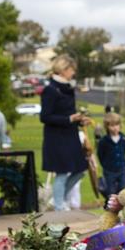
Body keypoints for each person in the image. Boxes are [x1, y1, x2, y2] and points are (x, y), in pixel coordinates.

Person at [40, 55, 88, 211]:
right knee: (61, 172)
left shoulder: (68, 89)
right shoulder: (50, 90)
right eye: (72, 69)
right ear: (64, 69)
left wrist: (79, 120)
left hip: (70, 136)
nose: (73, 73)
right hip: (56, 138)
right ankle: (59, 207)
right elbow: (45, 117)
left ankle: (57, 199)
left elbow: (69, 113)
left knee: (80, 170)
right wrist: (69, 118)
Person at [96, 111, 125, 197]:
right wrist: (106, 165)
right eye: (112, 125)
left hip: (122, 169)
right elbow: (100, 154)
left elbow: (124, 151)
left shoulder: (124, 138)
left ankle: (121, 208)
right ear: (107, 127)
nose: (115, 128)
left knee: (123, 188)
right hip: (109, 171)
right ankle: (110, 206)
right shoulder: (104, 141)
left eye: (117, 125)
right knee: (110, 191)